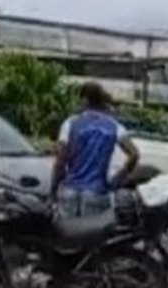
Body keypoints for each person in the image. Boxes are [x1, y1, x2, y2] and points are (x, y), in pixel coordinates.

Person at [50, 81, 140, 218]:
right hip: (97, 192)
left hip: (70, 190)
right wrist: (117, 180)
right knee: (93, 237)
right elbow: (134, 155)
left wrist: (53, 190)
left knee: (68, 236)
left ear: (85, 100)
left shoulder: (70, 124)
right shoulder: (114, 126)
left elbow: (60, 162)